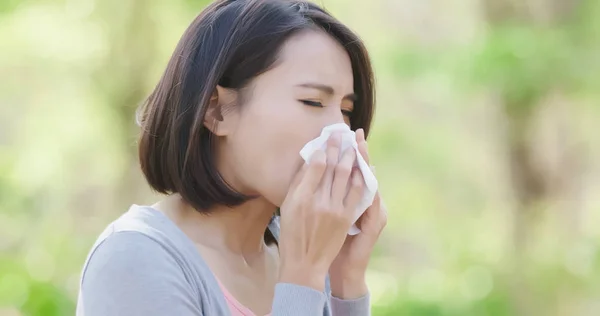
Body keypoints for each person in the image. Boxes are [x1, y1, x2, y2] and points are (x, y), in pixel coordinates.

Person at [76, 0, 387, 315]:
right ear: (216, 110)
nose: (338, 130)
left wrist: (346, 279)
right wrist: (302, 277)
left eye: (346, 110)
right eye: (312, 101)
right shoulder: (135, 258)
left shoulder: (304, 253)